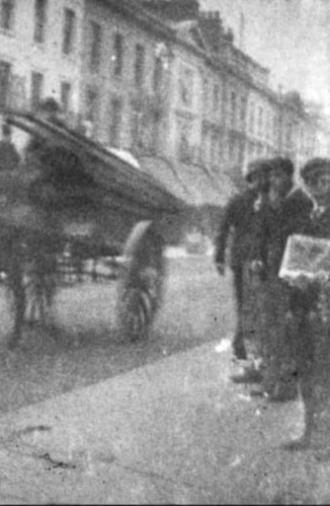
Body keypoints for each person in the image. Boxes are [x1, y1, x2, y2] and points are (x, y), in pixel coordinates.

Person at [250, 156, 313, 401]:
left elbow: (301, 238)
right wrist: (257, 255)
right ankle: (269, 382)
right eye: (272, 176)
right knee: (268, 328)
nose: (274, 180)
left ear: (289, 176)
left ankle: (286, 386)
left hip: (292, 273)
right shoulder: (269, 200)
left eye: (278, 176)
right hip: (270, 270)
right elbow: (260, 233)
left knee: (287, 331)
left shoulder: (301, 201)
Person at [282, 158, 330, 451]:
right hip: (304, 304)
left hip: (327, 305)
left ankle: (325, 438)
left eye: (325, 180)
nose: (320, 186)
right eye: (313, 181)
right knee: (307, 369)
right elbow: (296, 260)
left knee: (326, 372)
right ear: (307, 186)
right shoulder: (305, 217)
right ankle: (311, 432)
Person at [214, 158, 271, 370]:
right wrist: (219, 256)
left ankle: (246, 350)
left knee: (255, 305)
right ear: (250, 179)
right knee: (245, 304)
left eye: (262, 177)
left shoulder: (268, 202)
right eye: (256, 177)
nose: (259, 181)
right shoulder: (238, 201)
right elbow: (223, 228)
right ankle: (242, 350)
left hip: (262, 259)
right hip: (242, 259)